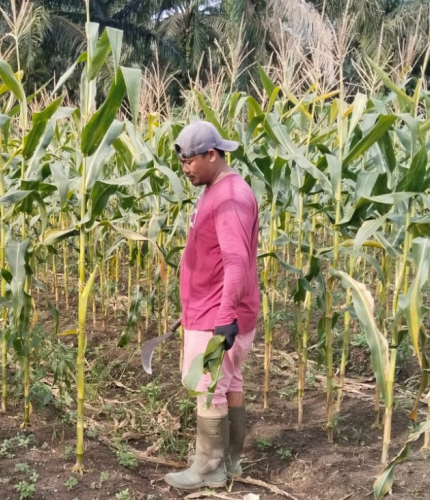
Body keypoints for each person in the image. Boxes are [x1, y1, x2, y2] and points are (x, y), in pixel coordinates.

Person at [164, 121, 260, 490]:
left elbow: (236, 263)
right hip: (214, 307)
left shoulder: (230, 198)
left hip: (220, 315)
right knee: (229, 381)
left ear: (212, 155)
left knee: (208, 386)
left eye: (190, 162)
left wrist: (221, 317)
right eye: (182, 163)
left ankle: (208, 470)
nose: (185, 169)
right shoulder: (217, 189)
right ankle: (230, 464)